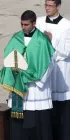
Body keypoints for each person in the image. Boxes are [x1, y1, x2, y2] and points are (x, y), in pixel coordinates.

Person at [0, 10, 55, 140]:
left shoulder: (42, 40)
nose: (23, 27)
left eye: (26, 25)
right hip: (19, 86)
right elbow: (8, 58)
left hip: (36, 88)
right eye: (21, 24)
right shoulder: (16, 38)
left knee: (39, 127)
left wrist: (35, 77)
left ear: (34, 23)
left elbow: (49, 63)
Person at [36, 1, 70, 139]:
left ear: (58, 6)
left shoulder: (67, 25)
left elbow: (66, 51)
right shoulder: (38, 22)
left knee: (62, 116)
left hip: (60, 73)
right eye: (45, 5)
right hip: (45, 75)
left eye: (50, 5)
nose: (47, 8)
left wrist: (50, 41)